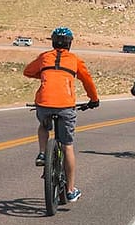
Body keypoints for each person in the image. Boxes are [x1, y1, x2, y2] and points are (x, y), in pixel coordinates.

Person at [23, 26, 99, 203]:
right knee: (68, 146)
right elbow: (87, 80)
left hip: (44, 103)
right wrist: (93, 99)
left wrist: (45, 75)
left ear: (52, 42)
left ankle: (42, 153)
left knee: (43, 126)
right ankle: (71, 190)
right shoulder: (75, 60)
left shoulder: (44, 57)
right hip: (65, 105)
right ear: (70, 44)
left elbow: (27, 71)